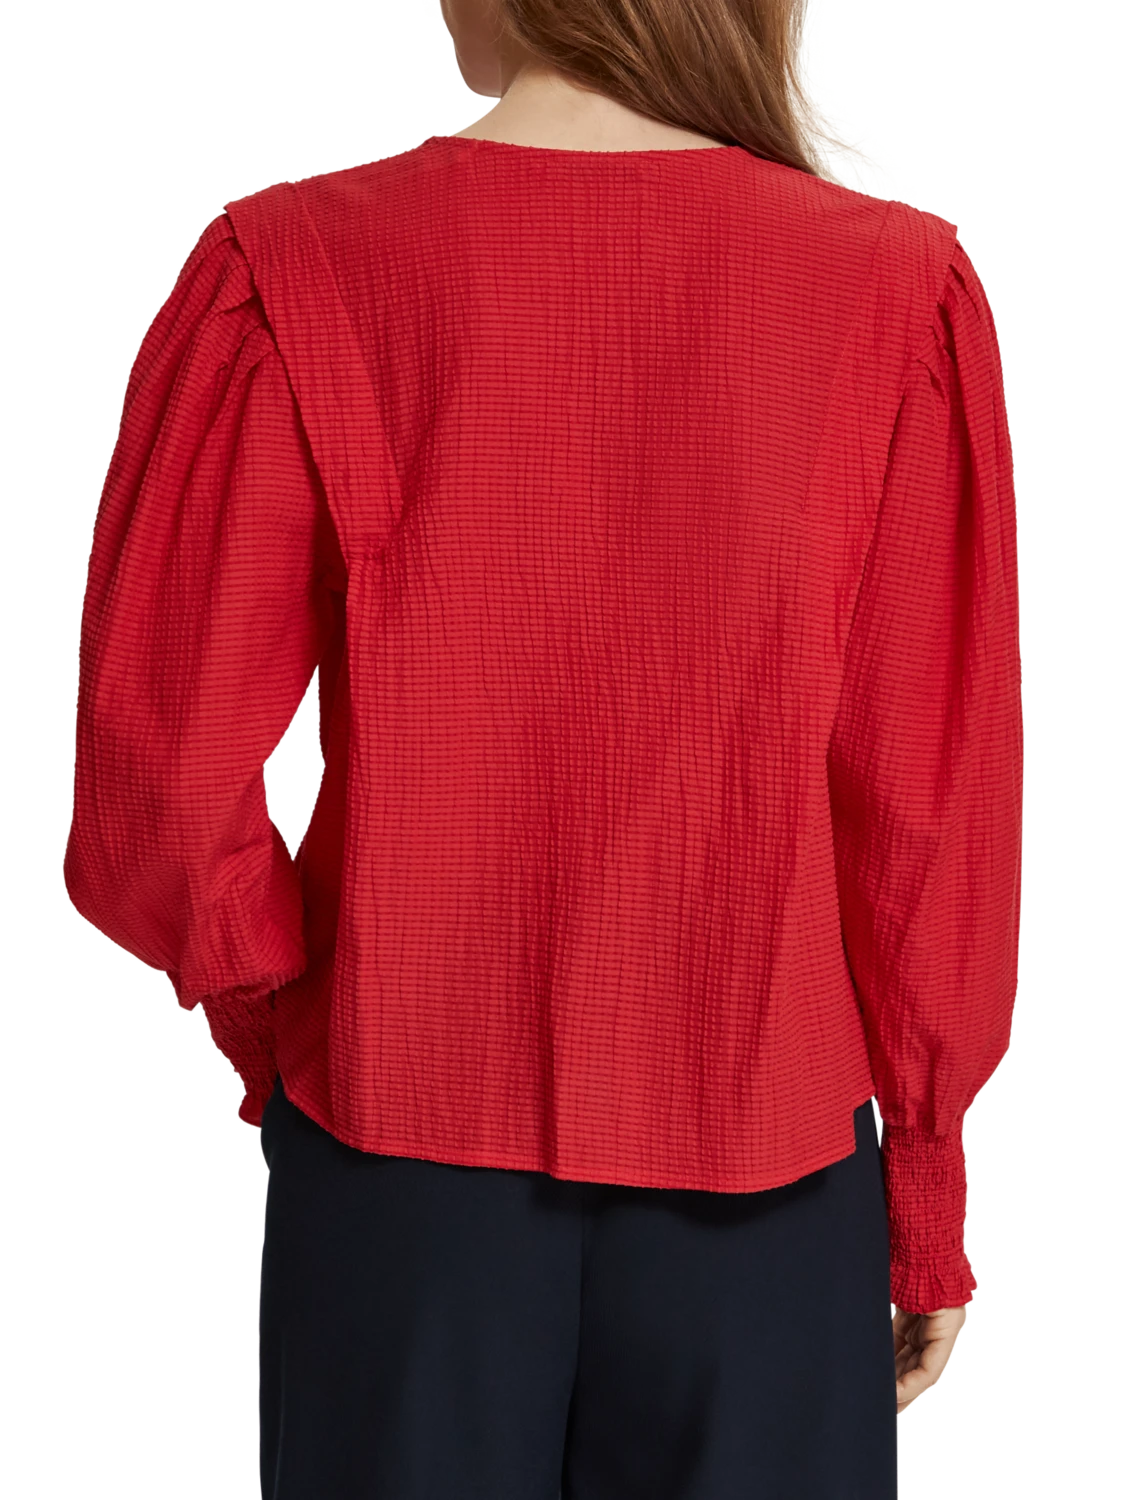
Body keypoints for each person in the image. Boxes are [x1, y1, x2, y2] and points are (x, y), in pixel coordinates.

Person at [62, 1, 1024, 1495]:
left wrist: (293, 1020)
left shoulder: (292, 265)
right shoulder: (892, 291)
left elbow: (162, 790)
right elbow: (924, 818)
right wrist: (920, 1180)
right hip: (769, 1166)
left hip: (398, 1160)